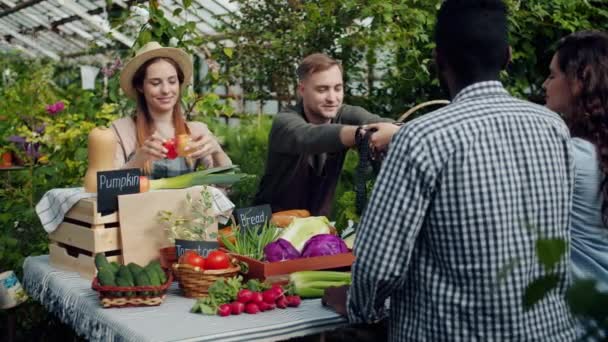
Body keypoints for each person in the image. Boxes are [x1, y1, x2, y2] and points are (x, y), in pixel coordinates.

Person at [323, 0, 578, 340]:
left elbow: (378, 265)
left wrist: (360, 307)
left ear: (439, 60)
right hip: (551, 332)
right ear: (507, 57)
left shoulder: (423, 137)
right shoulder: (553, 127)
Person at [253, 53, 399, 216]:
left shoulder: (344, 114)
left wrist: (398, 130)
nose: (332, 98)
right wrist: (361, 134)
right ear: (302, 90)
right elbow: (309, 137)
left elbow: (382, 123)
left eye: (338, 88)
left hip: (316, 227)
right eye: (322, 89)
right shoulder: (285, 122)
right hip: (266, 225)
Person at [543, 30, 608, 287]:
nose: (544, 85)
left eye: (552, 75)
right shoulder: (592, 153)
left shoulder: (572, 156)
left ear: (579, 80)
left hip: (583, 316)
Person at [112, 41, 231, 178]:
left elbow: (225, 181)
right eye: (155, 83)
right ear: (140, 86)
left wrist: (217, 152)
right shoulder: (121, 130)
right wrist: (137, 161)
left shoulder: (196, 131)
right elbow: (108, 186)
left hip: (184, 201)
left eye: (172, 81)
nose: (166, 90)